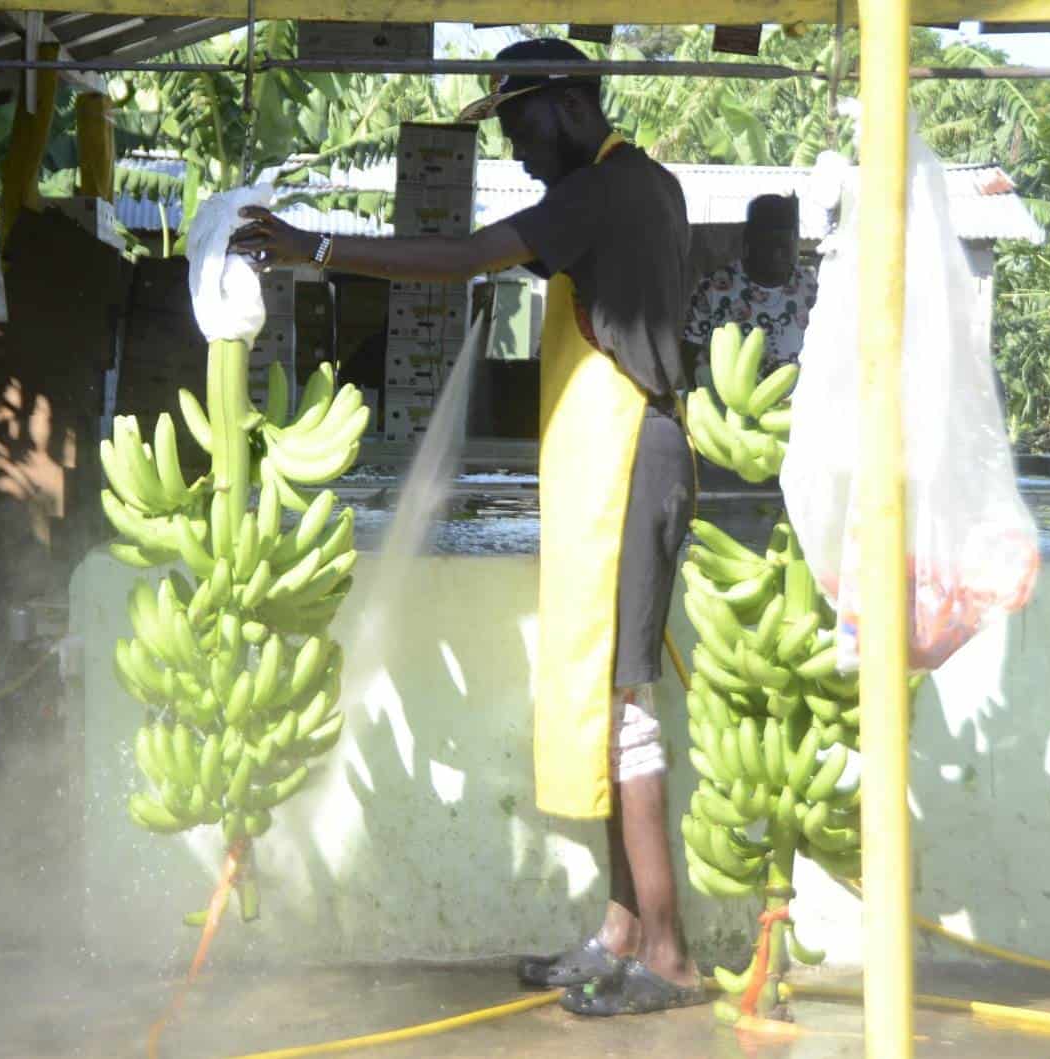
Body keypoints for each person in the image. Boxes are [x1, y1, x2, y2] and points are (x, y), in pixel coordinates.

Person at [229, 37, 704, 1018]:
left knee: (624, 710)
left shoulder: (596, 194)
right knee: (602, 695)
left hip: (628, 466)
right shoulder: (646, 184)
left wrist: (313, 247)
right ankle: (617, 931)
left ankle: (669, 955)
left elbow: (459, 258)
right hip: (628, 459)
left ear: (571, 105)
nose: (517, 147)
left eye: (521, 122)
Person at [682, 193, 818, 382]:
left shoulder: (809, 288)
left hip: (795, 404)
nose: (776, 255)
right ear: (749, 242)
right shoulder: (713, 288)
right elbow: (689, 350)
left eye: (784, 245)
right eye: (767, 245)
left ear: (794, 242)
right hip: (726, 403)